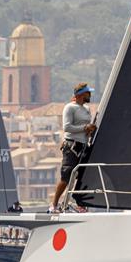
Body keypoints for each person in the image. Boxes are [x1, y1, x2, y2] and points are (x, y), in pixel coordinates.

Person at [51, 83, 97, 212]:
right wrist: (84, 128)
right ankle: (54, 204)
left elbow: (86, 127)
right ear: (81, 94)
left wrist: (89, 129)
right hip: (71, 146)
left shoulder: (87, 109)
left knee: (84, 175)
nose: (90, 95)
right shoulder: (69, 108)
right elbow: (67, 127)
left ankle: (80, 203)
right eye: (88, 93)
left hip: (83, 146)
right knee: (66, 176)